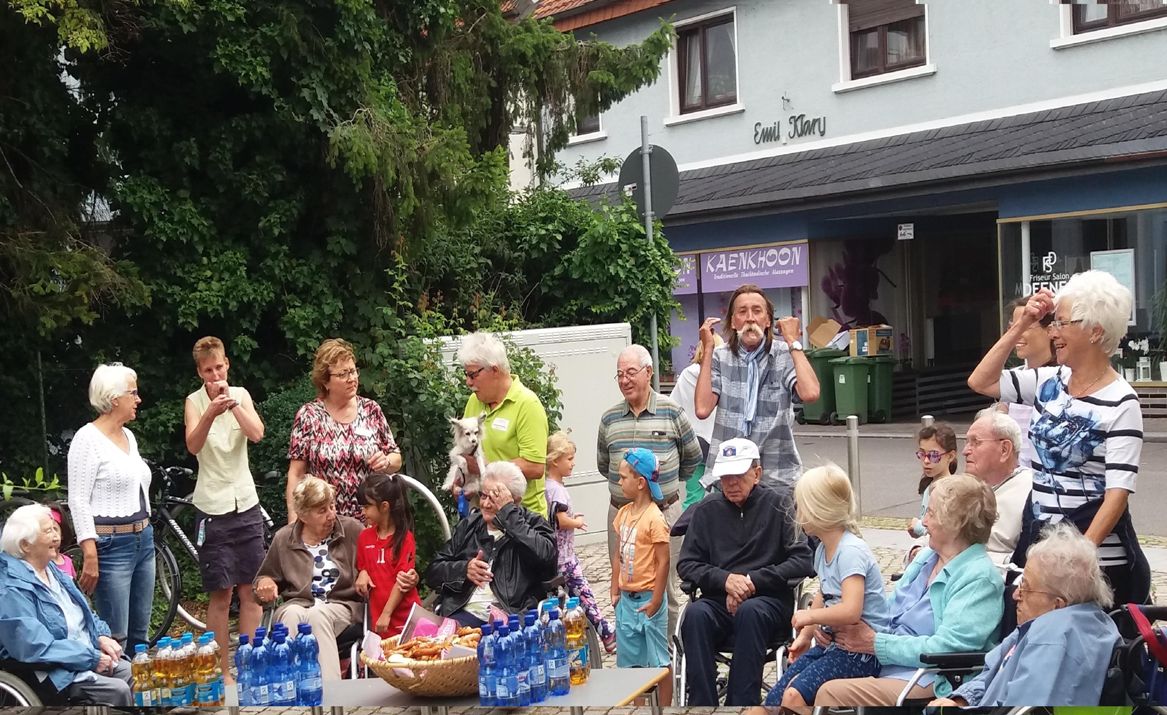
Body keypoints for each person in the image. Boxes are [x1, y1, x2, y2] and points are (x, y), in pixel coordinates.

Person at [968, 270, 1149, 604]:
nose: (1053, 332)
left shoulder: (1121, 401)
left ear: (1095, 331)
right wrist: (1022, 324)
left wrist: (1078, 561)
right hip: (1042, 550)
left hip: (1093, 562)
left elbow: (1117, 494)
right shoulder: (1049, 381)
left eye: (1061, 323)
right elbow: (981, 381)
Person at [813, 475, 1004, 706]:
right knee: (798, 682)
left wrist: (875, 643)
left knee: (827, 693)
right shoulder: (928, 557)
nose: (923, 521)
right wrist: (836, 628)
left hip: (926, 676)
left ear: (955, 523)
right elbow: (888, 609)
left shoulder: (979, 579)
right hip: (885, 663)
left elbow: (946, 649)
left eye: (931, 513)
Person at [677, 438, 814, 706]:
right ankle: (702, 707)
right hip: (718, 600)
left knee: (751, 613)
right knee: (694, 615)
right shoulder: (706, 511)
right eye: (726, 477)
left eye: (738, 475)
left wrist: (752, 582)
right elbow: (687, 564)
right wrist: (725, 580)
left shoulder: (780, 505)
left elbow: (803, 561)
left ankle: (741, 707)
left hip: (768, 601)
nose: (731, 483)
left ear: (757, 473)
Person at [930, 522, 1121, 708]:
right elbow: (993, 672)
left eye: (1026, 588)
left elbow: (1020, 709)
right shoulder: (1048, 624)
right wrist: (963, 701)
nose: (1015, 595)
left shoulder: (1053, 639)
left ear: (1058, 604)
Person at [756, 464, 889, 715]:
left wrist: (810, 617)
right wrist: (806, 635)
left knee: (794, 696)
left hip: (861, 654)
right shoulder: (822, 549)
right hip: (835, 647)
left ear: (819, 510)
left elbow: (851, 610)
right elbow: (823, 593)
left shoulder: (850, 551)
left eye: (801, 506)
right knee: (772, 702)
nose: (797, 513)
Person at [598, 344, 702, 639]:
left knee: (663, 585)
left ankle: (666, 659)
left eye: (631, 372)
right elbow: (604, 465)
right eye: (619, 374)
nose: (625, 380)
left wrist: (663, 489)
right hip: (621, 515)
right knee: (624, 582)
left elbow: (692, 458)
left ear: (649, 372)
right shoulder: (609, 419)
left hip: (663, 513)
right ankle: (633, 654)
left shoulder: (672, 412)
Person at [182, 336, 266, 681]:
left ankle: (246, 666)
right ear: (200, 373)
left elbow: (258, 433)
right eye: (207, 371)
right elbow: (193, 445)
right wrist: (210, 413)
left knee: (251, 590)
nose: (215, 376)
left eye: (219, 368)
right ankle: (221, 671)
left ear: (227, 364)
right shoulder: (193, 401)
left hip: (245, 502)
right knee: (221, 592)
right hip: (213, 506)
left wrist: (232, 406)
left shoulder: (242, 395)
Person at [0, 504, 132, 705]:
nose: (56, 537)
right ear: (25, 544)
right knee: (117, 690)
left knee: (138, 674)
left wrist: (102, 636)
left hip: (85, 655)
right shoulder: (11, 589)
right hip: (54, 671)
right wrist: (91, 658)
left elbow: (85, 613)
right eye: (47, 531)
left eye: (55, 529)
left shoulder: (53, 570)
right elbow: (34, 647)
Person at [695, 284, 820, 488]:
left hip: (777, 476)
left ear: (768, 321)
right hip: (730, 475)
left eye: (757, 311)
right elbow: (702, 408)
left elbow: (811, 393)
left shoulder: (783, 353)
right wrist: (707, 348)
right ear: (734, 322)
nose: (750, 318)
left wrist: (792, 341)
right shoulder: (720, 356)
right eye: (742, 312)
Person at [67, 362, 155, 651]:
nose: (138, 399)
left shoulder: (128, 436)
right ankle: (117, 695)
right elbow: (78, 499)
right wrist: (89, 552)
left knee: (140, 637)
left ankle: (137, 695)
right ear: (115, 398)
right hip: (111, 545)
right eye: (133, 393)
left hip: (144, 540)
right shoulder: (86, 439)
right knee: (116, 638)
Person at [254, 476, 365, 682]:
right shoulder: (284, 538)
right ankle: (290, 690)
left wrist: (366, 571)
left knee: (317, 614)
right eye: (322, 511)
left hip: (342, 605)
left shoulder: (352, 530)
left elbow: (375, 560)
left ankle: (332, 694)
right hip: (299, 603)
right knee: (291, 615)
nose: (331, 514)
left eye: (332, 506)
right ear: (303, 515)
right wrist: (264, 583)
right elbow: (264, 577)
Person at [425, 462, 558, 625]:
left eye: (494, 499)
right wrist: (464, 569)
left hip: (512, 616)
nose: (486, 504)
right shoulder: (470, 526)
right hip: (462, 615)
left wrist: (509, 516)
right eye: (483, 496)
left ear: (515, 501)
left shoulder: (533, 524)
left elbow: (548, 561)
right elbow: (433, 571)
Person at [287, 338, 402, 521]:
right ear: (325, 382)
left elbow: (396, 458)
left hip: (368, 521)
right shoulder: (309, 416)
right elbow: (296, 473)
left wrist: (386, 461)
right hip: (324, 520)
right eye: (342, 374)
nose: (352, 379)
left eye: (353, 371)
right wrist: (293, 522)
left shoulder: (371, 410)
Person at [457, 332, 550, 518]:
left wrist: (485, 468)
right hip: (483, 514)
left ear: (495, 370)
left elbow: (535, 467)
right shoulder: (474, 402)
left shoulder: (527, 404)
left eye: (473, 374)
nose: (468, 382)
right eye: (466, 374)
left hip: (521, 518)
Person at [610, 448, 672, 705]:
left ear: (641, 482)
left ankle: (666, 708)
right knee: (631, 663)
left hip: (649, 600)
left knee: (658, 662)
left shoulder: (655, 518)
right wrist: (615, 589)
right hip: (626, 600)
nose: (619, 482)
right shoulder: (623, 514)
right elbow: (618, 555)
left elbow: (663, 561)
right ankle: (637, 708)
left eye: (624, 477)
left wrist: (657, 600)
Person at [545, 431, 615, 653]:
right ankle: (605, 630)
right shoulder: (556, 490)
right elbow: (561, 520)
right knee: (584, 594)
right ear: (555, 461)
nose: (573, 464)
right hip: (564, 559)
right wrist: (577, 521)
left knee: (574, 596)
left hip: (561, 556)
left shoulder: (548, 487)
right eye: (569, 459)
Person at [962, 408, 1033, 567]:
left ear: (1004, 450)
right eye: (967, 442)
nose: (965, 451)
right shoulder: (961, 487)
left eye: (976, 442)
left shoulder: (1031, 491)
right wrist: (917, 549)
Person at [354, 473, 421, 638]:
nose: (363, 512)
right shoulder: (364, 537)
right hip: (378, 617)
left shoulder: (405, 539)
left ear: (384, 506)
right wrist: (362, 574)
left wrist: (386, 613)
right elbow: (363, 566)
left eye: (367, 506)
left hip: (403, 617)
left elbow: (402, 582)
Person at [997, 296, 1056, 469]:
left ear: (1050, 330)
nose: (1017, 334)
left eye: (1026, 326)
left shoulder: (1064, 378)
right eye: (1013, 327)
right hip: (1016, 480)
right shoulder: (1013, 379)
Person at [669, 334, 724, 509]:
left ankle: (691, 530)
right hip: (719, 442)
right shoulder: (721, 375)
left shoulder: (686, 374)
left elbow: (673, 406)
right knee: (723, 494)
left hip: (693, 444)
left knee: (693, 496)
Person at [907, 422, 958, 539]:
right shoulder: (928, 485)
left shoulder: (950, 490)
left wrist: (919, 527)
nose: (926, 460)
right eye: (922, 454)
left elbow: (946, 531)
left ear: (950, 456)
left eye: (933, 456)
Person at [48, 506, 76, 579]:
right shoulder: (38, 563)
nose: (52, 535)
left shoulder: (68, 561)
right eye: (47, 531)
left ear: (62, 534)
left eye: (55, 529)